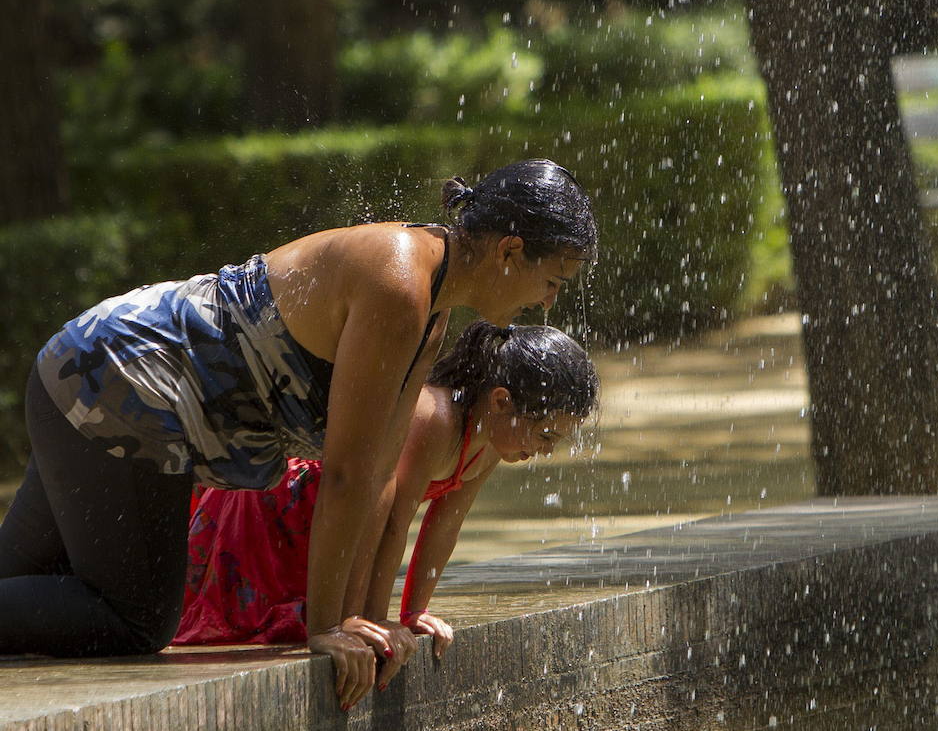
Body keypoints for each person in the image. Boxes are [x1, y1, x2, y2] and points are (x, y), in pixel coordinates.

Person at [0, 159, 595, 710]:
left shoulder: (431, 314)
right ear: (510, 251)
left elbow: (378, 481)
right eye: (555, 279)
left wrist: (371, 618)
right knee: (137, 619)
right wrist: (328, 629)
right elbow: (342, 472)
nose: (549, 300)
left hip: (89, 367)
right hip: (121, 384)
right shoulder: (398, 279)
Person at [173, 321, 598, 663]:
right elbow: (393, 521)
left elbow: (443, 528)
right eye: (545, 435)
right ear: (501, 401)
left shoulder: (489, 445)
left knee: (319, 617)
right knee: (263, 617)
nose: (543, 451)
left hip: (344, 523)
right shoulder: (435, 417)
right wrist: (374, 618)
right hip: (288, 507)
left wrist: (414, 613)